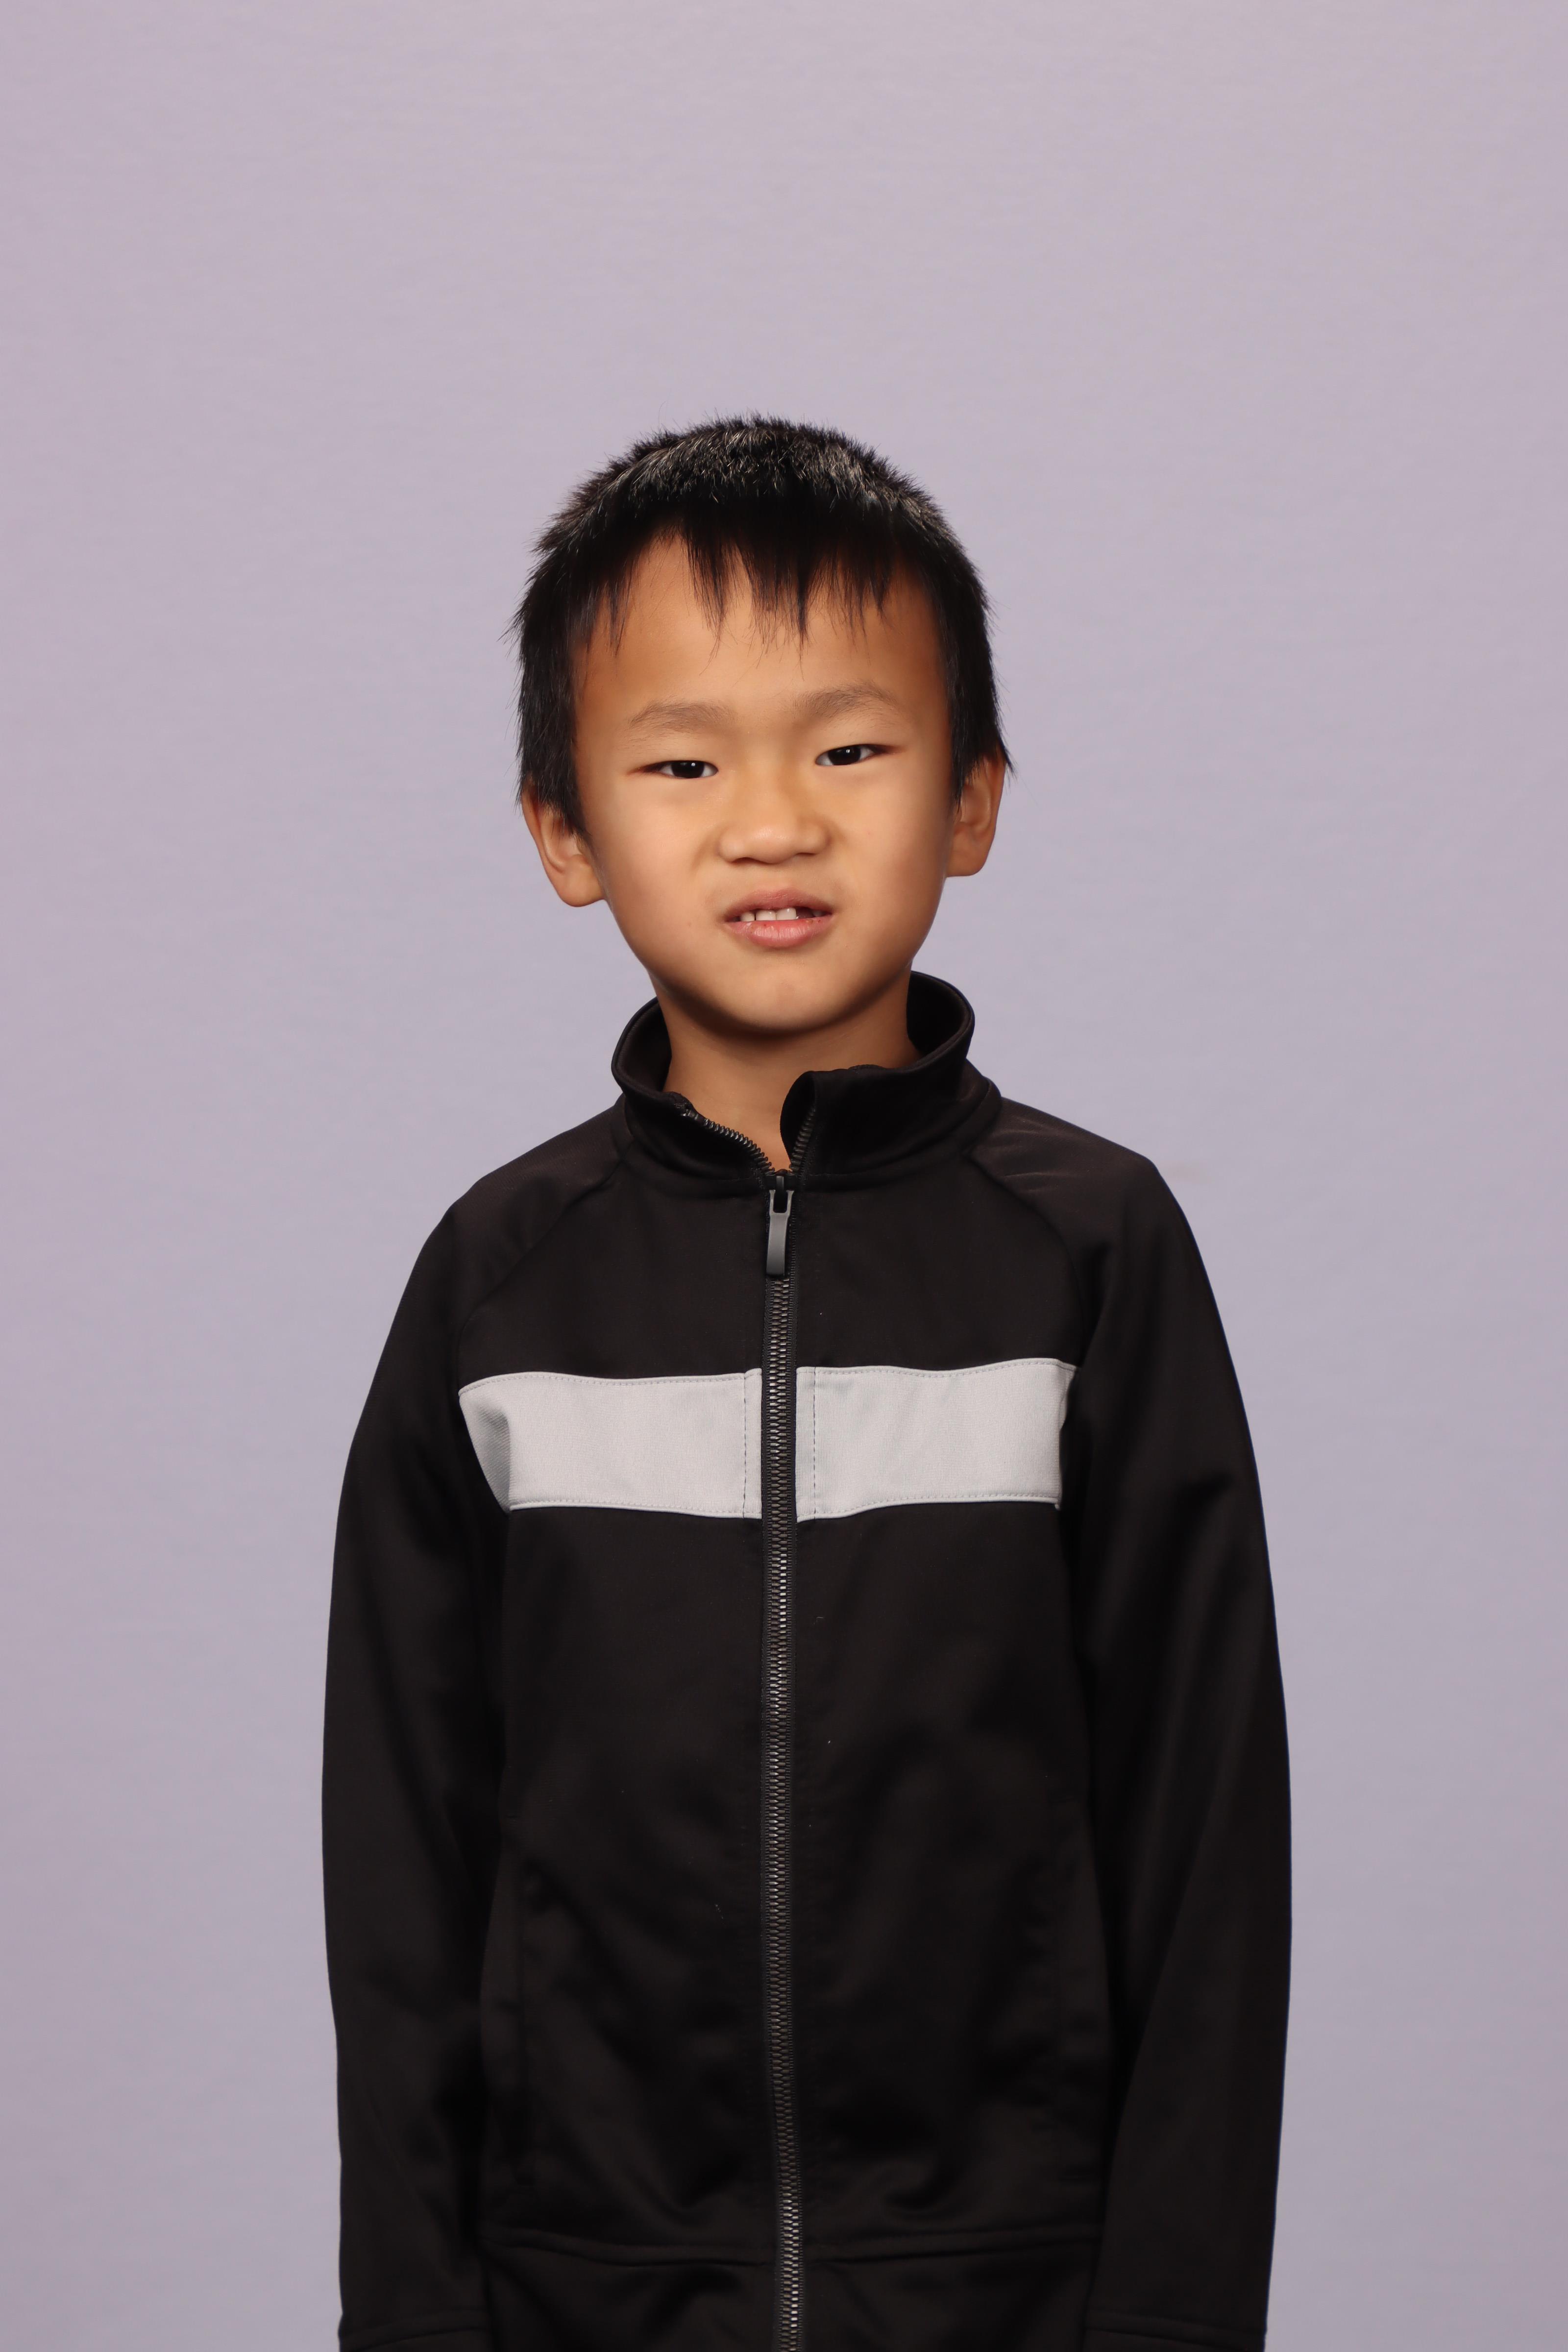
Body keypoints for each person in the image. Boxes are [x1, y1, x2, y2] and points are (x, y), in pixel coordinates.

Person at [322, 417, 1290, 2352]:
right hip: (584, 2297)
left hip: (1009, 2296)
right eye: (683, 763)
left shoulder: (1089, 1254)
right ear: (565, 832)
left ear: (971, 800)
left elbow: (1205, 1853)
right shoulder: (499, 1285)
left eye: (848, 750)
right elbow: (405, 1877)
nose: (770, 822)